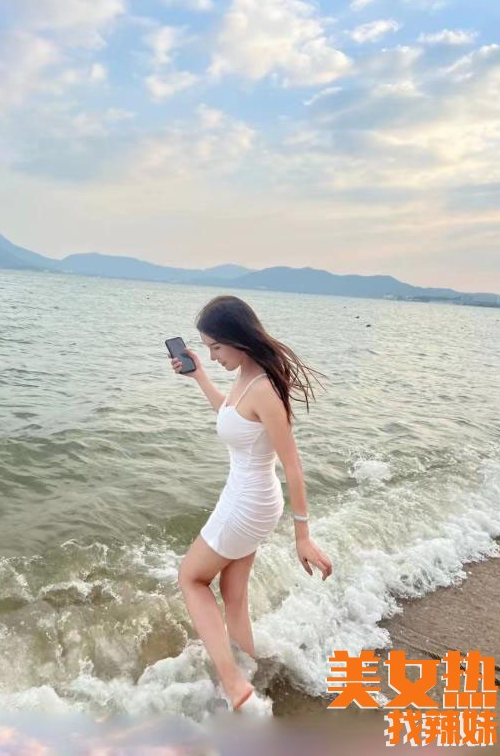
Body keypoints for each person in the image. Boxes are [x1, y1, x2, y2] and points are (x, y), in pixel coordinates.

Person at [169, 294, 333, 713]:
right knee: (233, 592)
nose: (213, 356)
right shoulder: (246, 376)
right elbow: (231, 417)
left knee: (191, 579)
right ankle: (248, 671)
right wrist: (199, 376)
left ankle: (232, 683)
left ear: (238, 339)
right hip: (252, 501)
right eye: (207, 349)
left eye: (216, 347)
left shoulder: (264, 391)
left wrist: (303, 537)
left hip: (247, 504)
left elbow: (293, 465)